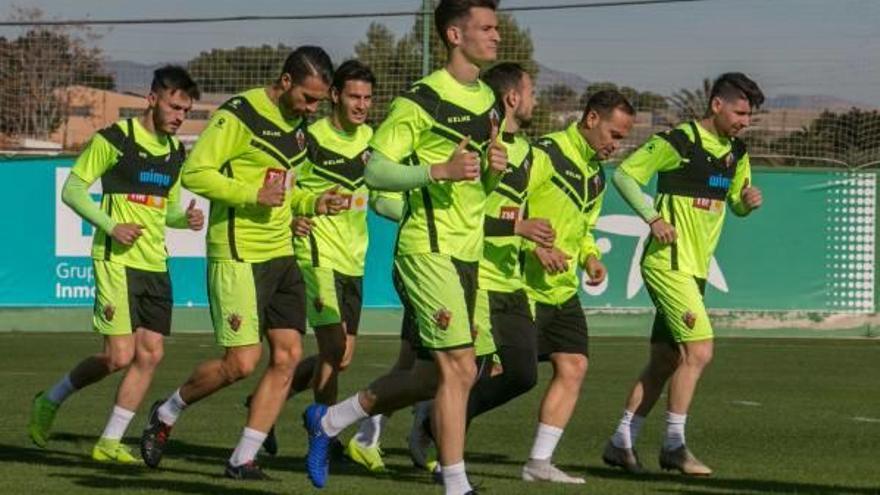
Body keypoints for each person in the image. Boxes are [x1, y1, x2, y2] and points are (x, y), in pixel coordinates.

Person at [301, 1, 507, 493]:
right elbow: (375, 171)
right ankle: (456, 483)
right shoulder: (421, 100)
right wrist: (435, 171)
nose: (498, 36)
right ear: (454, 35)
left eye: (497, 27)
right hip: (427, 249)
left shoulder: (489, 102)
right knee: (458, 366)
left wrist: (494, 168)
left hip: (467, 251)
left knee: (439, 375)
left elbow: (479, 188)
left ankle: (329, 421)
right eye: (487, 27)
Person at [139, 46, 340, 480]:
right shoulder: (239, 115)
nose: (312, 108)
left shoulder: (299, 129)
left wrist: (313, 201)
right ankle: (167, 410)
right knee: (242, 362)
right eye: (308, 98)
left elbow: (287, 189)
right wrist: (251, 194)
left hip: (281, 252)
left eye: (319, 102)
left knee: (288, 356)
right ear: (286, 82)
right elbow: (195, 173)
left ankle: (242, 458)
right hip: (237, 254)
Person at [28, 66, 203, 464]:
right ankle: (49, 400)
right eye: (174, 107)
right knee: (119, 356)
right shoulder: (115, 140)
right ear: (152, 99)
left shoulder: (177, 152)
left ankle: (109, 440)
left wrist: (184, 219)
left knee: (151, 354)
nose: (179, 116)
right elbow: (73, 190)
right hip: (115, 261)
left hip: (155, 264)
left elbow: (168, 210)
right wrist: (111, 225)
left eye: (186, 111)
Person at [603, 72, 764, 476]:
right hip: (667, 263)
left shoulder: (737, 153)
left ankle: (620, 442)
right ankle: (674, 445)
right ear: (717, 105)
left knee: (665, 360)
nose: (745, 120)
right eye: (741, 112)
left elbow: (736, 205)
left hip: (695, 270)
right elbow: (624, 175)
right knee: (700, 351)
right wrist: (652, 217)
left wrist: (746, 202)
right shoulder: (678, 142)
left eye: (750, 115)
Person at [520, 90, 635, 483]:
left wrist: (590, 258)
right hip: (521, 285)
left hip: (563, 288)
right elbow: (507, 207)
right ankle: (432, 418)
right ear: (590, 119)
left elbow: (585, 230)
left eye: (622, 138)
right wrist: (531, 245)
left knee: (574, 365)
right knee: (498, 374)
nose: (616, 145)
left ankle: (538, 463)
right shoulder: (545, 154)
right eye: (614, 134)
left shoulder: (595, 176)